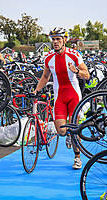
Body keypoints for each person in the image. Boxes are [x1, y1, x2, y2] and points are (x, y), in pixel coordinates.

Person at [33, 27, 90, 169]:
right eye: (53, 39)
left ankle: (77, 158)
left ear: (65, 40)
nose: (56, 42)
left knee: (74, 128)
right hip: (59, 97)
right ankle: (69, 134)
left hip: (73, 95)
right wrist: (36, 90)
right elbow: (45, 77)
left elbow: (87, 74)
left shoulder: (74, 54)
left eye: (58, 39)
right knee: (62, 131)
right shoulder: (48, 58)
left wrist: (76, 71)